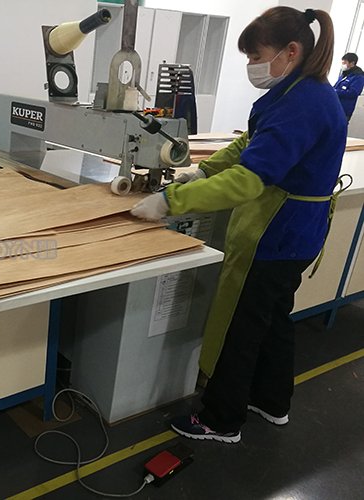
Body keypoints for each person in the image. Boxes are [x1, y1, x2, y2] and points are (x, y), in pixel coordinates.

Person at [130, 7, 347, 443]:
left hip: (275, 234)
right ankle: (271, 401)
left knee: (240, 327)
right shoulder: (302, 91)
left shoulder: (302, 103)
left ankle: (221, 419)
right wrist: (202, 171)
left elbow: (249, 179)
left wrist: (170, 201)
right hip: (299, 235)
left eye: (256, 56)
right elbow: (250, 143)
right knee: (273, 318)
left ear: (291, 51)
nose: (252, 66)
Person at [334, 52, 364, 121]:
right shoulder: (345, 74)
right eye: (342, 63)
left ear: (352, 63)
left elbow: (353, 93)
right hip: (335, 107)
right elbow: (336, 86)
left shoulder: (358, 77)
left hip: (344, 110)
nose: (343, 65)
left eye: (345, 63)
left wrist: (336, 92)